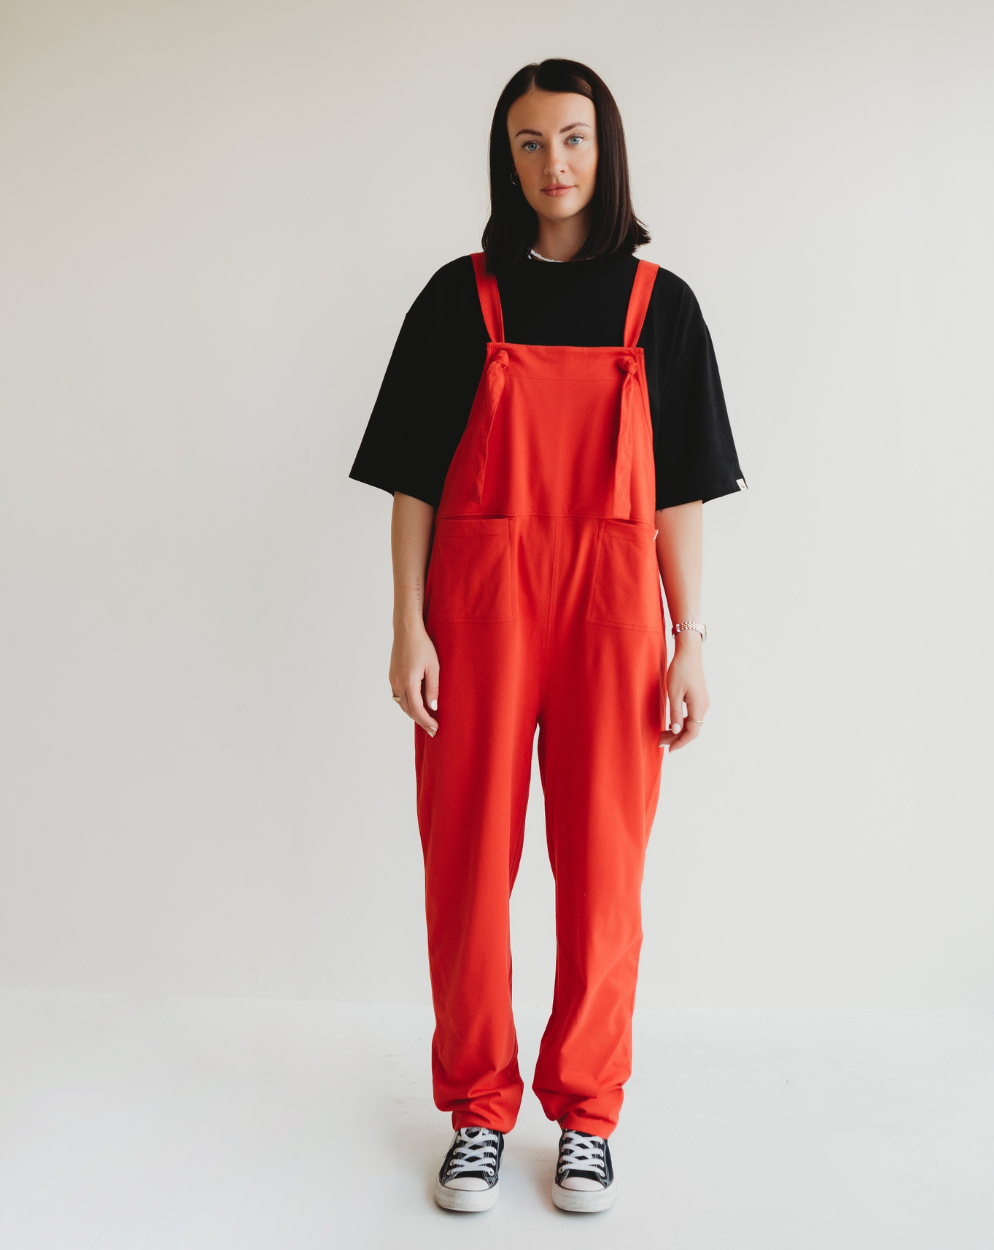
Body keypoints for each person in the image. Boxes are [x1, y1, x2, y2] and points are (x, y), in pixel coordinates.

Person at [350, 58, 744, 1214]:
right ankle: (477, 1108)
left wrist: (692, 638)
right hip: (476, 612)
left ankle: (585, 1115)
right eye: (528, 143)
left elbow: (681, 492)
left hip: (615, 616)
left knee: (603, 873)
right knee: (467, 865)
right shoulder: (456, 298)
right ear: (504, 157)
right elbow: (412, 483)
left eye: (571, 139)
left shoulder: (657, 307)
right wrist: (405, 626)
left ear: (604, 149)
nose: (553, 164)